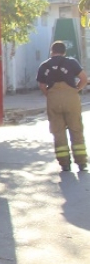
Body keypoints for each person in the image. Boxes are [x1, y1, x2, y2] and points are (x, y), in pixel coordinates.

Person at [36, 40, 88, 172]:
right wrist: (76, 89)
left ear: (51, 52)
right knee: (76, 129)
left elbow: (42, 86)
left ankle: (64, 164)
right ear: (64, 52)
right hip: (71, 98)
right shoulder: (71, 62)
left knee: (58, 132)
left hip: (53, 99)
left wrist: (50, 95)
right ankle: (81, 162)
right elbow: (84, 78)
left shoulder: (44, 65)